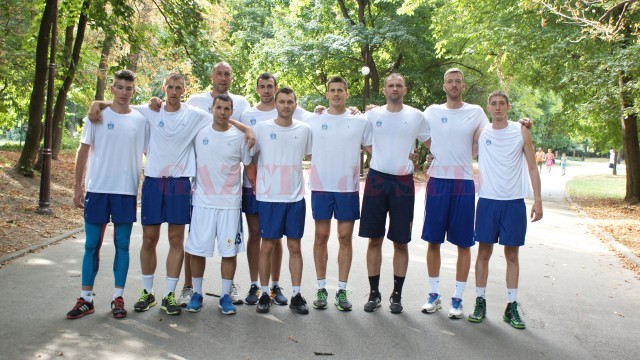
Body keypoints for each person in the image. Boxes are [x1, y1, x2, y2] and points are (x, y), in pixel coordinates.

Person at [66, 70, 149, 319]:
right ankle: (86, 299)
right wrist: (78, 187)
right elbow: (83, 152)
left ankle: (117, 297)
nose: (124, 92)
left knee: (122, 245)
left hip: (125, 191)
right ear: (112, 88)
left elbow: (152, 150)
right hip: (97, 189)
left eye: (129, 88)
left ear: (133, 91)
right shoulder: (96, 115)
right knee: (91, 245)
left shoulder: (141, 120)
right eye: (120, 87)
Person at [468, 91, 542, 329]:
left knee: (512, 255)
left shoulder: (521, 131)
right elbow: (460, 151)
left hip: (513, 202)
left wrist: (538, 200)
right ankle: (480, 301)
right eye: (493, 104)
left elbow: (532, 167)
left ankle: (511, 307)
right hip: (488, 201)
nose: (498, 107)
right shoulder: (482, 133)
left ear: (508, 107)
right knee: (483, 254)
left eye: (502, 104)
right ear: (488, 108)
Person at [180, 62, 251, 305]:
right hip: (202, 202)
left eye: (226, 108)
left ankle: (225, 295)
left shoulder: (240, 137)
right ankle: (196, 293)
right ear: (211, 109)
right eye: (218, 107)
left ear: (232, 111)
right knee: (197, 250)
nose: (222, 111)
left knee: (229, 252)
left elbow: (249, 165)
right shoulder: (199, 132)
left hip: (230, 204)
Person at [420, 68, 489, 319]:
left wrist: (466, 154)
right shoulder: (431, 111)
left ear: (463, 85)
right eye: (450, 81)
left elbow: (487, 137)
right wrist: (435, 149)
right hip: (438, 181)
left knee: (463, 243)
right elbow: (416, 131)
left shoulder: (476, 112)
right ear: (444, 85)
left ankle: (457, 299)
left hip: (463, 183)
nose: (454, 85)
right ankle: (433, 294)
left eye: (458, 81)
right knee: (433, 240)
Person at [359, 73, 430, 314]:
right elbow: (362, 139)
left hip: (403, 182)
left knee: (401, 240)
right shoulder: (372, 115)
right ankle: (374, 293)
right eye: (391, 85)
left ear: (405, 89)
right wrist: (380, 154)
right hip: (377, 179)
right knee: (374, 239)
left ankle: (396, 295)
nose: (395, 88)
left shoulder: (416, 116)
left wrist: (421, 160)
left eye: (399, 85)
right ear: (385, 90)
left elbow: (435, 142)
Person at [239, 73, 311, 306]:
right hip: (269, 197)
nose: (286, 105)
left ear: (295, 104)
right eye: (282, 102)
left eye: (290, 102)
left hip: (295, 197)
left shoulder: (304, 129)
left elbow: (313, 154)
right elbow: (247, 157)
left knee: (294, 246)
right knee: (266, 244)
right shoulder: (260, 128)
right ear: (276, 104)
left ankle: (296, 294)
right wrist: (255, 181)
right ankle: (262, 294)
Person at [307, 76, 368, 312]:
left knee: (344, 238)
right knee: (321, 236)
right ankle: (321, 288)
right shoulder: (314, 119)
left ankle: (342, 290)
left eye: (340, 90)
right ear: (326, 94)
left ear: (347, 93)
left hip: (347, 189)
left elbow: (377, 144)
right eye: (332, 90)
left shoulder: (358, 120)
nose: (336, 94)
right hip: (322, 187)